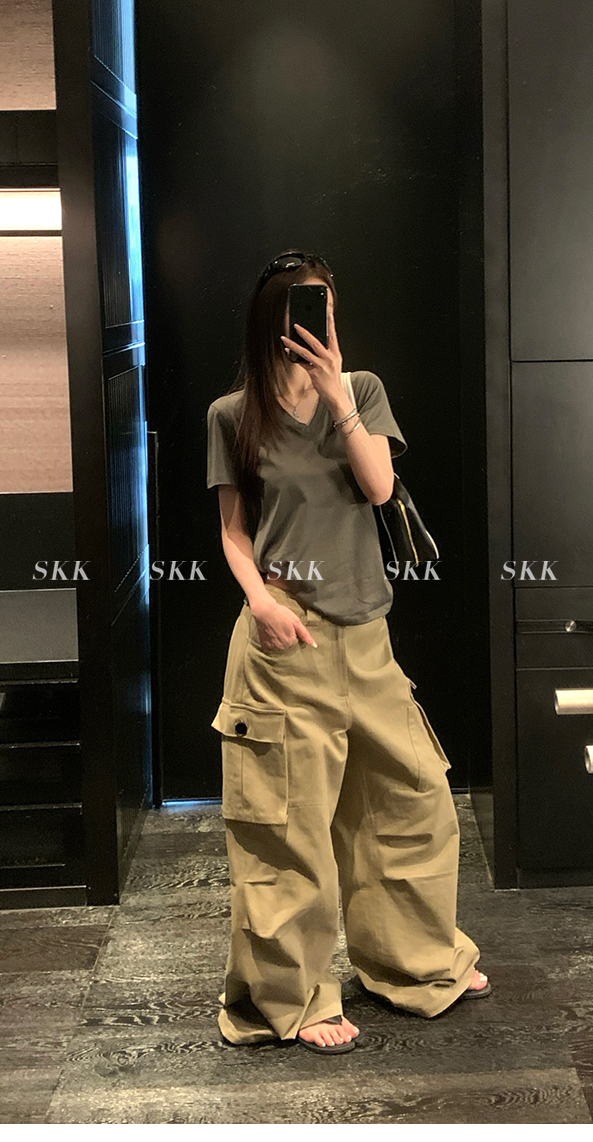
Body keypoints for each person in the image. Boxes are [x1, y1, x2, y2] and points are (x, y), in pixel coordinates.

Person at [206, 249, 489, 1055]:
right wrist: (259, 601)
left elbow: (378, 488)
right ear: (271, 319)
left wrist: (338, 400)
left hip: (367, 635)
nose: (317, 320)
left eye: (325, 306)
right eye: (302, 307)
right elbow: (232, 532)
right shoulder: (232, 414)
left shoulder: (360, 391)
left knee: (412, 801)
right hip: (283, 639)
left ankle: (417, 962)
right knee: (286, 829)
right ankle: (292, 1001)